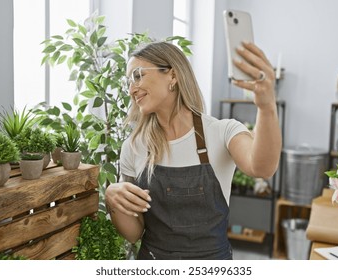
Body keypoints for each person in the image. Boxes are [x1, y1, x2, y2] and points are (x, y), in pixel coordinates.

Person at [105, 40, 282, 260]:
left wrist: (266, 107)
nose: (131, 89)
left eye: (138, 75)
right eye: (129, 81)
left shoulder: (221, 131)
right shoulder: (133, 146)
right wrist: (112, 200)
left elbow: (262, 167)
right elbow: (133, 233)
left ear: (172, 75)